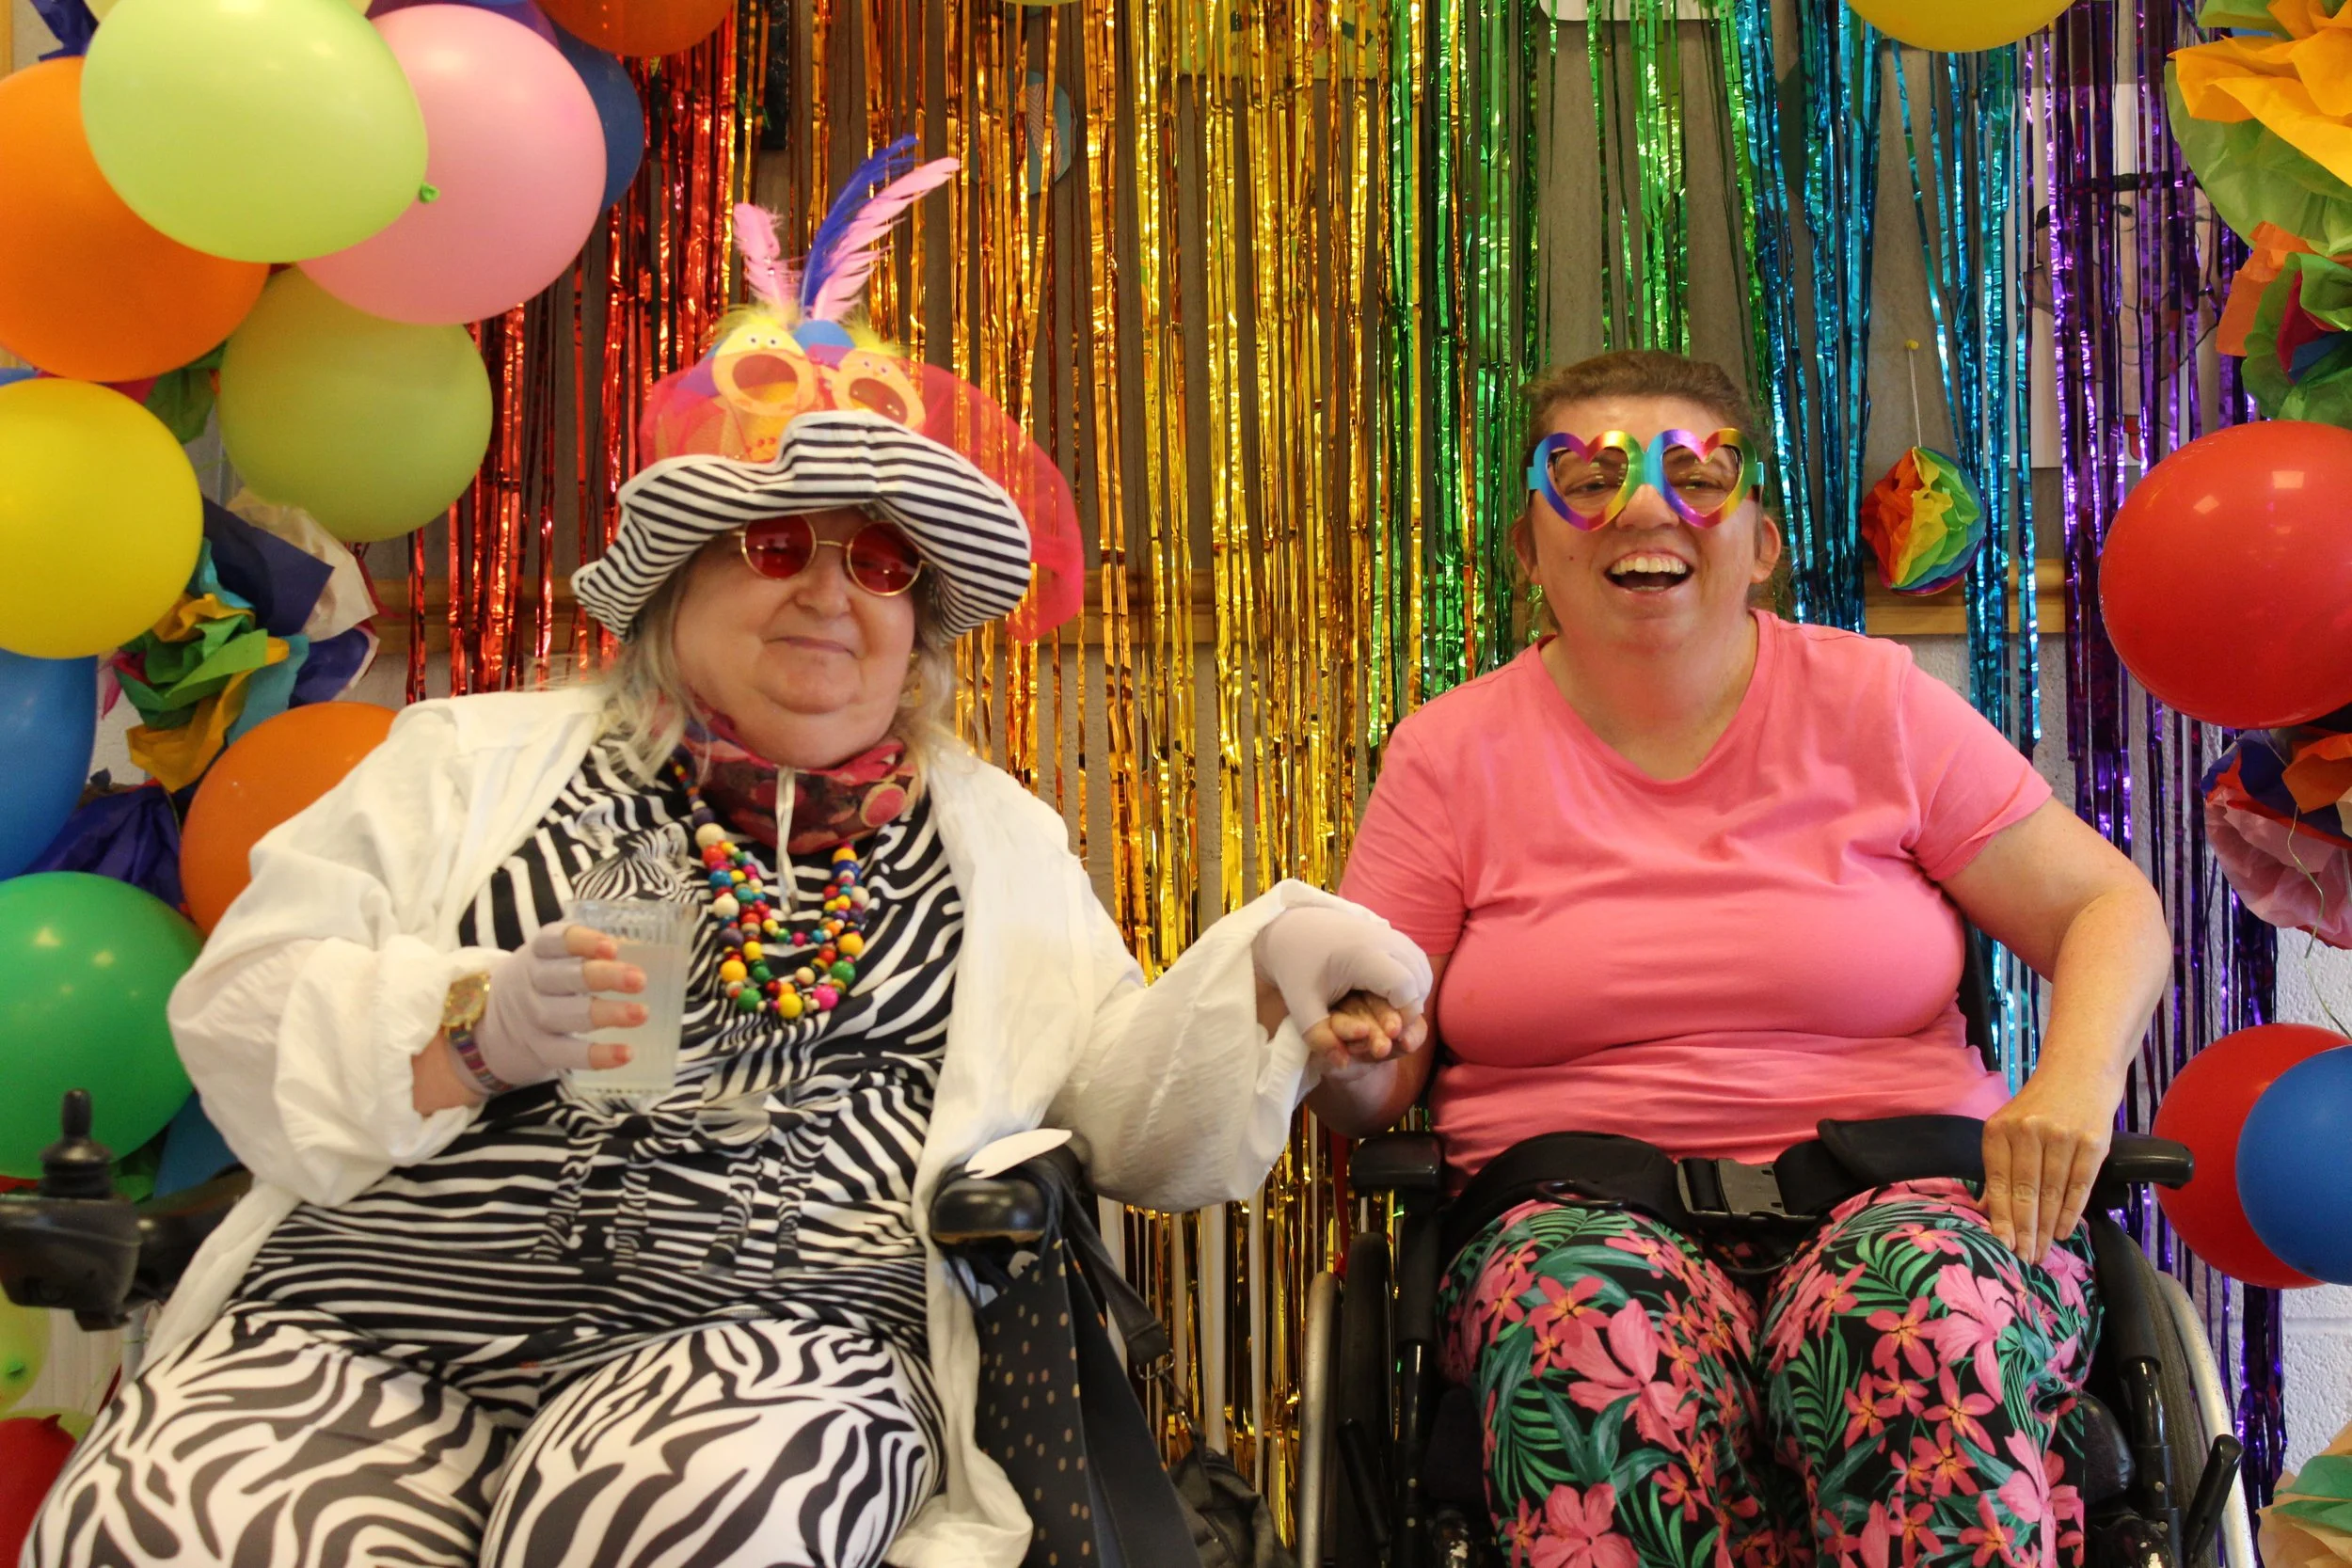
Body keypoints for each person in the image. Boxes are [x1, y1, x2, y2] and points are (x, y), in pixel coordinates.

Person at [28, 174, 1429, 1568]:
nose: (830, 591)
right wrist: (466, 1027)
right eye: (775, 545)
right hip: (370, 1318)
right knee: (179, 1518)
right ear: (673, 586)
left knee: (672, 1513)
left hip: (774, 1336)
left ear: (918, 629)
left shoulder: (994, 835)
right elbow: (246, 997)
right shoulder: (465, 758)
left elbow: (1115, 1112)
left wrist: (1264, 977)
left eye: (880, 563)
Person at [1315, 349, 2169, 1568]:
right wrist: (1349, 1056)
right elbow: (1372, 1081)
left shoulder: (1876, 700)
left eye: (1697, 475)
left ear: (1759, 539)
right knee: (1593, 1344)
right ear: (1530, 545)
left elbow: (2110, 907)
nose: (1647, 507)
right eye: (1589, 477)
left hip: (1906, 1197)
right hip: (1580, 1217)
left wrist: (2073, 1088)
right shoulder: (1451, 755)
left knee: (1915, 1320)